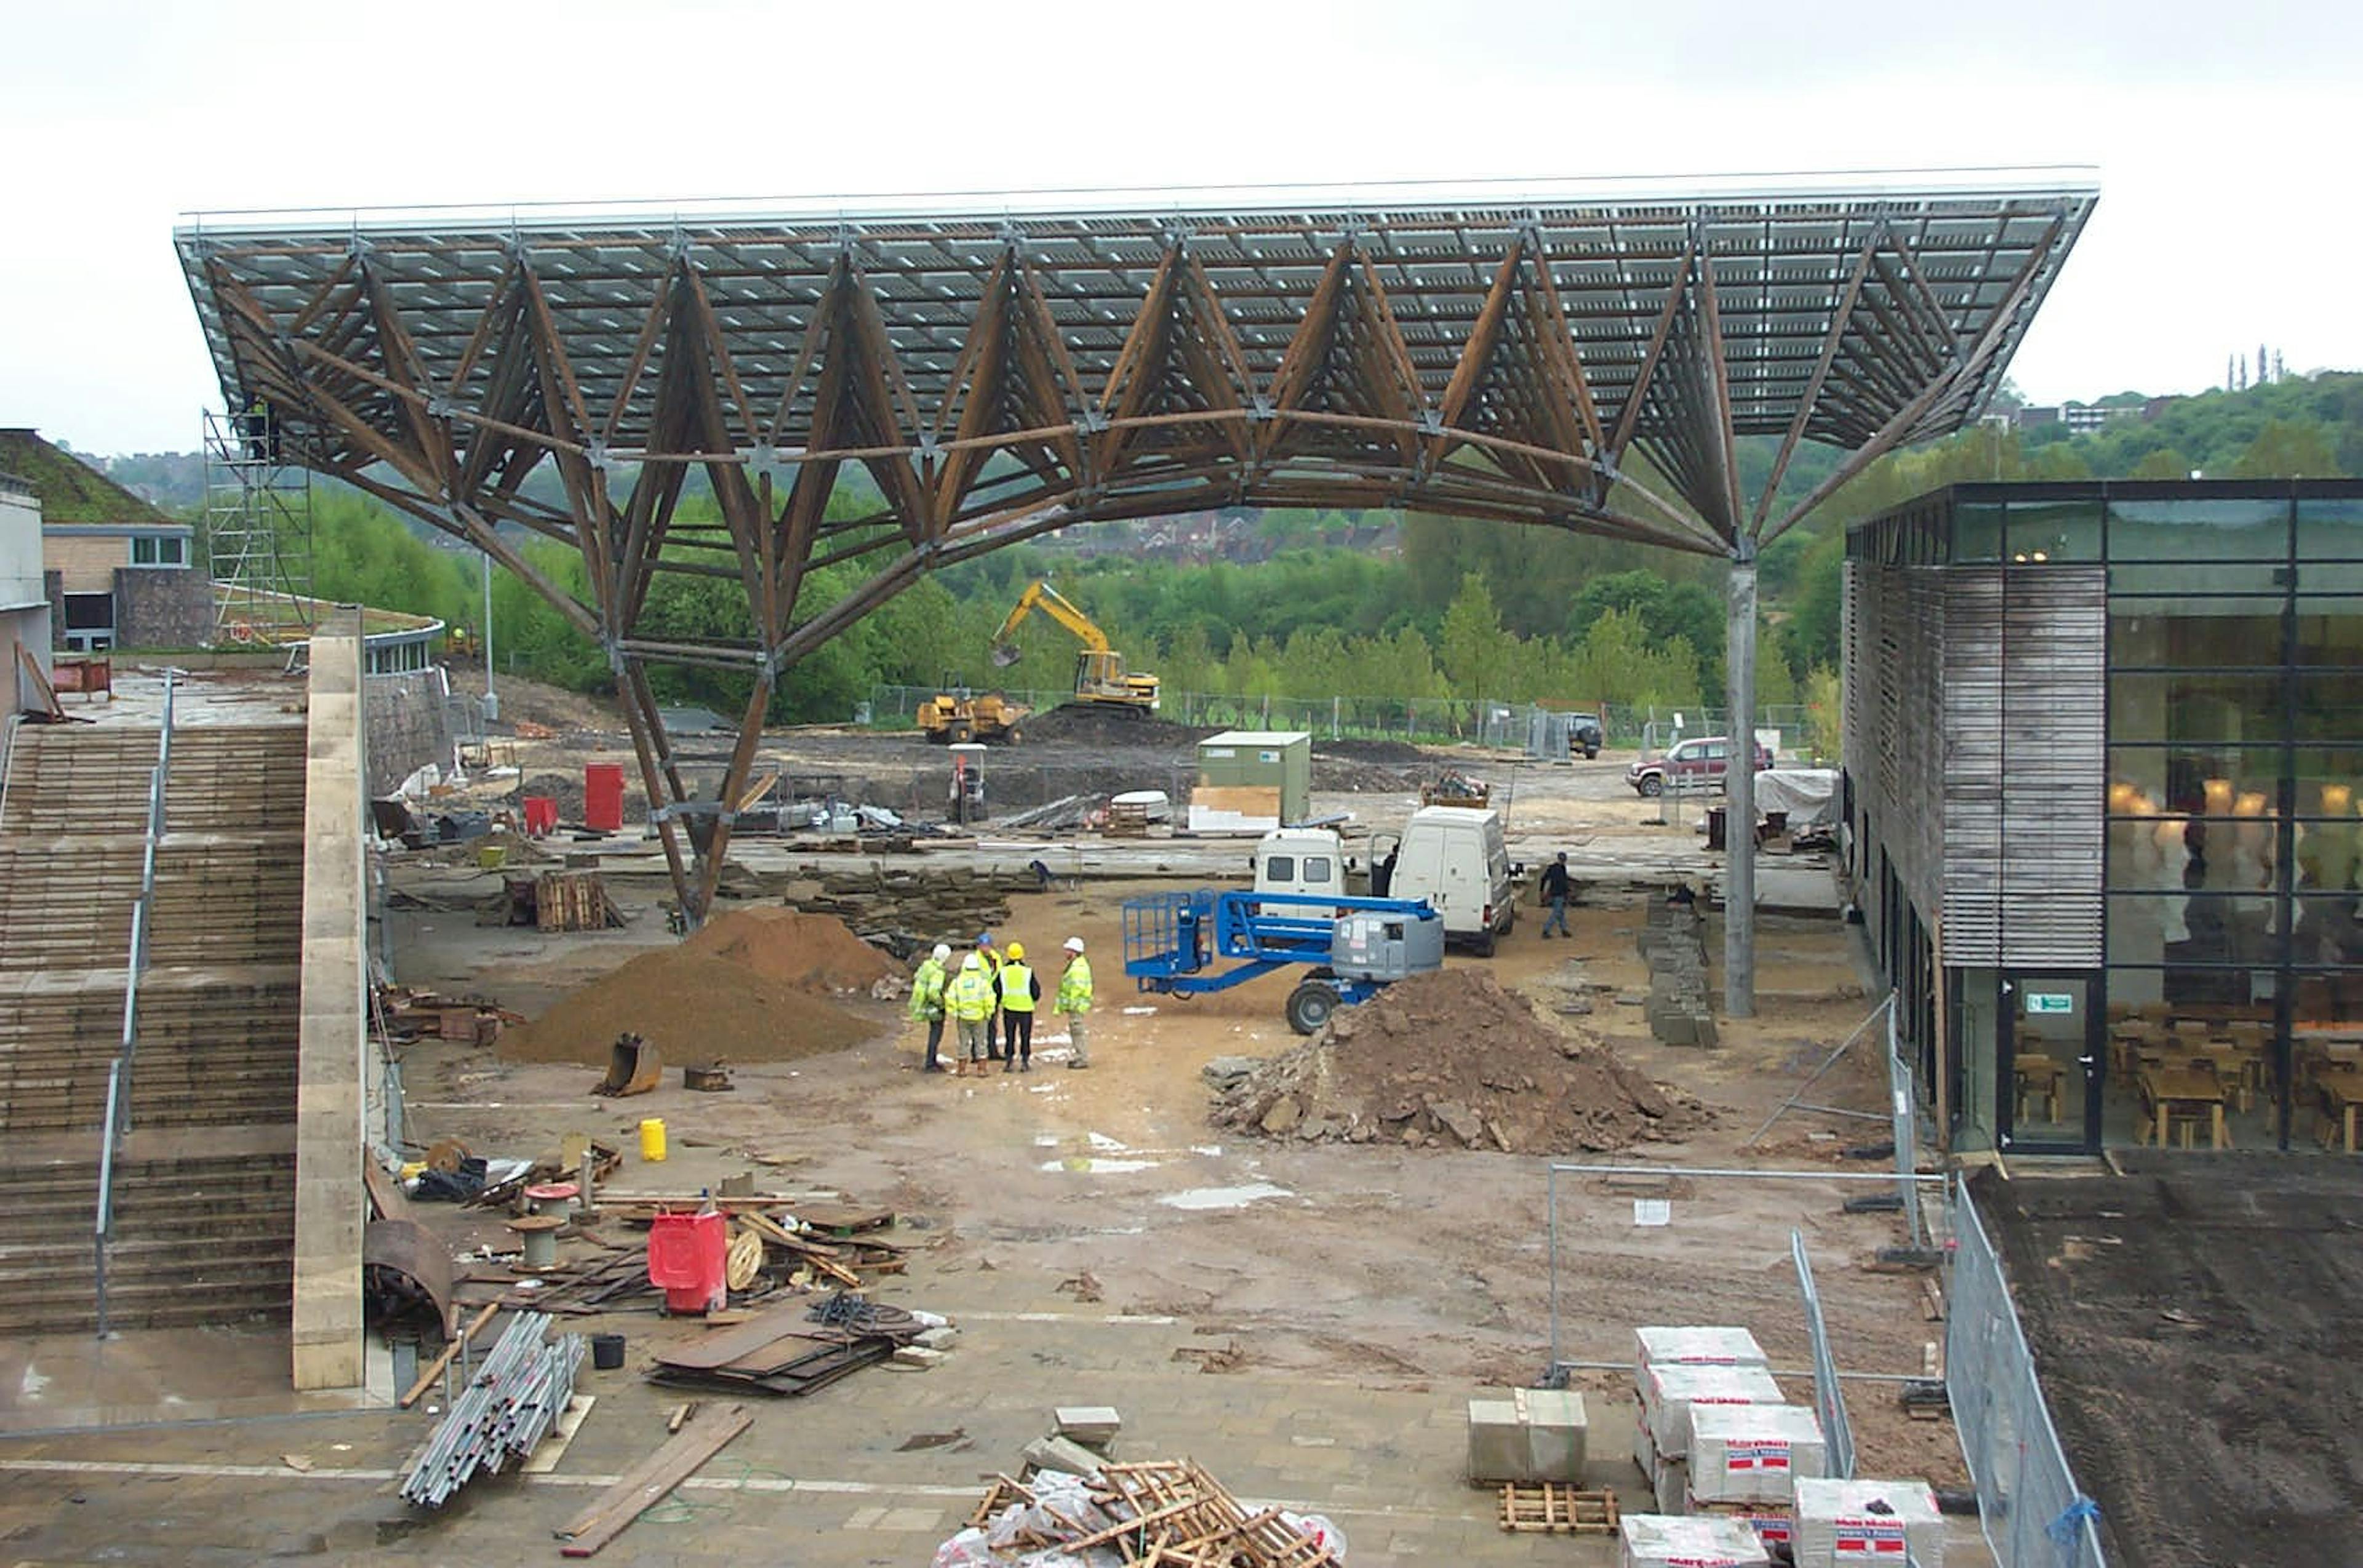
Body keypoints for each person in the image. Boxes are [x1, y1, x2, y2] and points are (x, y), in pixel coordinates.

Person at [946, 951, 995, 1071]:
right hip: (980, 1017)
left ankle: (962, 1069)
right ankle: (982, 1069)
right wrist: (988, 1013)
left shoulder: (957, 982)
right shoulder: (983, 983)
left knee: (963, 1043)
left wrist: (955, 1012)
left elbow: (950, 998)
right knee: (981, 1043)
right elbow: (989, 999)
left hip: (963, 1017)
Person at [908, 942, 951, 1072]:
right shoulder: (938, 972)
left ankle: (931, 1060)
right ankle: (931, 1062)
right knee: (936, 1033)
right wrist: (941, 1003)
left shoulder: (927, 965)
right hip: (932, 1006)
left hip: (921, 1002)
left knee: (934, 1032)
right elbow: (933, 992)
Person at [998, 941, 1040, 1071]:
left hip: (1009, 1008)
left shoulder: (1003, 972)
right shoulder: (1028, 972)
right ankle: (1025, 1061)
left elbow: (996, 989)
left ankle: (1009, 1060)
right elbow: (1036, 992)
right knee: (1025, 1036)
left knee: (1010, 1036)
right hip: (1026, 1009)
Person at [1055, 935, 1094, 1068]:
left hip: (1076, 1005)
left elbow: (1076, 988)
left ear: (1074, 951)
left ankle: (1082, 1058)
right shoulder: (1078, 965)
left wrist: (1070, 1004)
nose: (1066, 952)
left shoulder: (1077, 968)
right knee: (1076, 1031)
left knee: (1077, 1031)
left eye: (1068, 950)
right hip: (1077, 1005)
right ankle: (1080, 1056)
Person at [974, 932, 1005, 1060]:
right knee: (978, 1026)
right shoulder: (975, 960)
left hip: (993, 996)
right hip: (980, 997)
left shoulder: (996, 958)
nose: (985, 948)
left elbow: (1000, 975)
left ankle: (993, 1051)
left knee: (992, 1026)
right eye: (983, 945)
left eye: (987, 945)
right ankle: (976, 1053)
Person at [1539, 851, 1573, 939]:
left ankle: (1564, 930)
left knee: (1561, 913)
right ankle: (1546, 930)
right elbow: (1564, 882)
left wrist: (1542, 891)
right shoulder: (1562, 869)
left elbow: (1544, 879)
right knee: (1556, 913)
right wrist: (1568, 891)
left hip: (1553, 892)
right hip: (1559, 893)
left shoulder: (1552, 868)